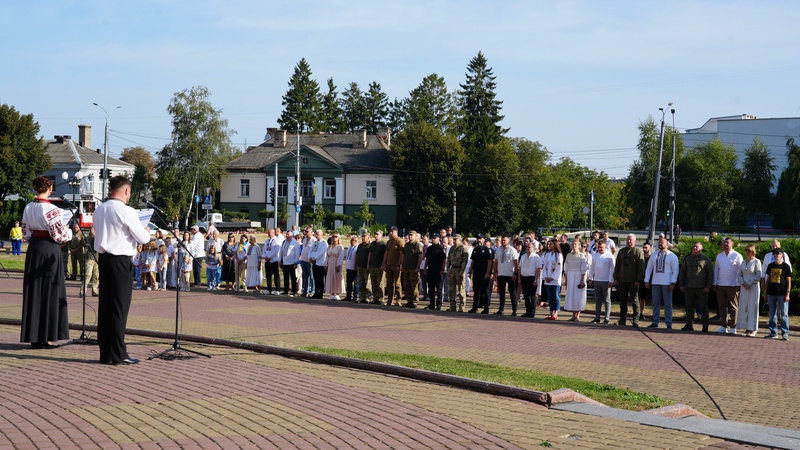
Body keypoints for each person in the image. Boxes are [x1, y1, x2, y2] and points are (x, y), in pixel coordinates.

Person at [93, 175, 151, 365]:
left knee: (106, 306)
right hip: (120, 261)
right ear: (126, 191)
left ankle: (106, 353)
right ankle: (119, 354)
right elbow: (142, 238)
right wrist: (147, 231)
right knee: (119, 307)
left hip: (104, 259)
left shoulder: (100, 209)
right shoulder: (127, 211)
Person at [20, 176, 73, 349]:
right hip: (50, 249)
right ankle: (48, 337)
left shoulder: (28, 207)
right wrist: (69, 232)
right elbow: (58, 236)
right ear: (49, 189)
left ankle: (35, 337)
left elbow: (26, 233)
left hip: (35, 249)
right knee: (51, 291)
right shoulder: (53, 210)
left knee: (34, 292)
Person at [678, 242, 714, 332]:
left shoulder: (706, 260)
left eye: (696, 246)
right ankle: (689, 324)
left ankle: (705, 326)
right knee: (689, 306)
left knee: (703, 307)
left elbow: (710, 274)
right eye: (693, 246)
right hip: (689, 287)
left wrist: (708, 286)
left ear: (701, 248)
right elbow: (682, 272)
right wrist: (681, 284)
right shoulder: (688, 259)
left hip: (702, 288)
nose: (694, 248)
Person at [645, 237, 679, 329]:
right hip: (655, 282)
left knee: (668, 304)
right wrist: (646, 280)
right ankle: (655, 322)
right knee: (655, 303)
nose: (660, 244)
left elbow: (675, 270)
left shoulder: (672, 256)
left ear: (667, 244)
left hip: (667, 283)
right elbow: (649, 268)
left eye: (662, 243)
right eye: (659, 242)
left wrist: (673, 282)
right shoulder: (654, 255)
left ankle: (668, 323)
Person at [614, 234, 645, 327]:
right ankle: (622, 319)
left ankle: (636, 319)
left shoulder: (638, 252)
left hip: (633, 280)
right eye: (628, 240)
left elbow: (641, 268)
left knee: (635, 300)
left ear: (635, 241)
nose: (629, 241)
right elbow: (617, 266)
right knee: (622, 301)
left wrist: (638, 280)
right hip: (622, 280)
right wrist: (616, 278)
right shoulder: (621, 251)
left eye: (631, 240)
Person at [714, 238, 743, 334]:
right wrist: (715, 283)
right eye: (724, 242)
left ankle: (733, 326)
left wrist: (739, 284)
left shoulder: (737, 256)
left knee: (733, 306)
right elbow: (716, 270)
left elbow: (740, 272)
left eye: (728, 242)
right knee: (722, 306)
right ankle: (723, 325)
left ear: (732, 244)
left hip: (733, 285)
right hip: (721, 284)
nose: (726, 244)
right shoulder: (719, 256)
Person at [762, 248, 791, 340]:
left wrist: (788, 294)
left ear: (782, 255)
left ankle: (785, 333)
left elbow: (789, 282)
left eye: (778, 253)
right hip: (771, 293)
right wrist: (765, 293)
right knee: (772, 314)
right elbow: (767, 280)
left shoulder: (786, 266)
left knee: (784, 314)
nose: (776, 255)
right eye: (774, 254)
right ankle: (773, 332)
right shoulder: (770, 266)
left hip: (782, 293)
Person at [736, 244, 762, 337]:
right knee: (744, 306)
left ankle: (753, 328)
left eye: (749, 250)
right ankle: (746, 328)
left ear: (753, 251)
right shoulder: (743, 262)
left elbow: (758, 274)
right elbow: (739, 274)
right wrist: (743, 283)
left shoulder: (756, 261)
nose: (747, 252)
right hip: (744, 287)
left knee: (752, 306)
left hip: (753, 287)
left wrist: (750, 283)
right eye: (746, 250)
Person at [589, 239, 614, 324]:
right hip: (597, 280)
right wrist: (590, 278)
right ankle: (597, 317)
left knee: (607, 300)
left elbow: (612, 269)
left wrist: (611, 280)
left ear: (605, 247)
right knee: (597, 300)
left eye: (601, 247)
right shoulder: (595, 255)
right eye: (599, 247)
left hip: (606, 280)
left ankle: (607, 317)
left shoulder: (609, 256)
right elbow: (592, 267)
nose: (600, 249)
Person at [493, 235, 519, 316]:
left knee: (512, 292)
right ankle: (501, 309)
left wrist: (515, 273)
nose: (503, 242)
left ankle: (514, 310)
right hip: (501, 273)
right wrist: (495, 273)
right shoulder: (498, 250)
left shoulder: (512, 250)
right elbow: (496, 261)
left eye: (505, 240)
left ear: (509, 241)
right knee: (502, 292)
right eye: (502, 240)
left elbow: (516, 263)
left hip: (510, 273)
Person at [564, 240, 589, 322]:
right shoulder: (568, 255)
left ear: (578, 246)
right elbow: (566, 269)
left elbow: (584, 269)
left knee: (578, 296)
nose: (574, 245)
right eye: (573, 244)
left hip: (578, 276)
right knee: (572, 295)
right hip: (571, 276)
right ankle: (573, 315)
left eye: (575, 244)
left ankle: (578, 315)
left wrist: (582, 280)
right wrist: (566, 280)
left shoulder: (581, 256)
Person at [518, 238, 542, 318]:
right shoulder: (523, 256)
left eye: (530, 247)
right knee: (526, 296)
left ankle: (532, 312)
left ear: (534, 248)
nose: (528, 249)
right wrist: (520, 278)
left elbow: (538, 269)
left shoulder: (536, 257)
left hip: (532, 278)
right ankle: (527, 311)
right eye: (527, 247)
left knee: (532, 296)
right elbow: (520, 268)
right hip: (524, 277)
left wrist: (535, 280)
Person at [446, 234, 469, 312]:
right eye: (454, 239)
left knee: (461, 289)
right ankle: (452, 306)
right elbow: (449, 259)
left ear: (460, 240)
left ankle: (461, 307)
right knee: (451, 289)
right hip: (453, 270)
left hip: (460, 270)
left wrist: (462, 271)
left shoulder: (463, 248)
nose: (454, 240)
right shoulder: (452, 248)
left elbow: (465, 261)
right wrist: (448, 269)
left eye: (456, 239)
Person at [541, 239, 563, 320]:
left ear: (555, 245)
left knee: (556, 296)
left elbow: (558, 268)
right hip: (548, 279)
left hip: (555, 279)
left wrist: (552, 277)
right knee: (550, 296)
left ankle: (556, 312)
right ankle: (551, 312)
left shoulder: (559, 255)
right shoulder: (547, 254)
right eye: (548, 244)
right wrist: (546, 276)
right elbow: (545, 267)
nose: (549, 246)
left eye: (551, 244)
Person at [401, 231, 424, 308]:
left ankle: (414, 302)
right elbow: (403, 256)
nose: (410, 237)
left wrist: (418, 266)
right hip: (406, 268)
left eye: (412, 235)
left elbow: (420, 256)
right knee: (406, 285)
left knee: (414, 286)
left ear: (415, 236)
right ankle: (409, 301)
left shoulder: (417, 245)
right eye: (409, 235)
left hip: (414, 269)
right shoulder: (406, 245)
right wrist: (402, 265)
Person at [383, 226, 405, 306]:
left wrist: (399, 264)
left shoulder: (400, 241)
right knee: (389, 283)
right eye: (390, 232)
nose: (391, 233)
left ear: (396, 232)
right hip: (389, 265)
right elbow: (386, 253)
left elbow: (401, 254)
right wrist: (384, 263)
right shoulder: (389, 242)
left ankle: (398, 300)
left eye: (392, 232)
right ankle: (390, 300)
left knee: (397, 283)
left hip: (396, 265)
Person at [425, 234, 446, 310]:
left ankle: (439, 304)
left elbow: (444, 260)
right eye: (432, 238)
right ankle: (431, 304)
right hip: (430, 270)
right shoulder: (429, 248)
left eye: (434, 238)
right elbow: (427, 259)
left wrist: (443, 269)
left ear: (438, 239)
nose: (433, 239)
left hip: (438, 271)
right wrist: (425, 268)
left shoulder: (441, 248)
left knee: (439, 289)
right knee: (431, 288)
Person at [279, 231, 301, 296]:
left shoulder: (295, 243)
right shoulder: (284, 242)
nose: (287, 236)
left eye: (289, 235)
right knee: (286, 277)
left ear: (292, 235)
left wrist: (295, 262)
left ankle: (293, 290)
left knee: (293, 278)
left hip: (292, 263)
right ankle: (286, 290)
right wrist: (280, 260)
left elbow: (297, 253)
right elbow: (281, 251)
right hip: (285, 262)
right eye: (287, 234)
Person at [368, 230, 386, 305]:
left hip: (379, 266)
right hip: (373, 266)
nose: (376, 235)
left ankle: (381, 298)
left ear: (381, 236)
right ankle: (375, 298)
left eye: (377, 234)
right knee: (373, 283)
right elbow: (370, 254)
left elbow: (385, 255)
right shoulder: (373, 244)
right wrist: (368, 263)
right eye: (375, 234)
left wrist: (383, 264)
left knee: (380, 283)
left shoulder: (383, 244)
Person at [309, 229, 328, 299]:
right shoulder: (315, 242)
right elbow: (311, 250)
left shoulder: (324, 243)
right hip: (314, 263)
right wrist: (310, 257)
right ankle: (316, 293)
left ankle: (320, 294)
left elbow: (321, 253)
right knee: (315, 279)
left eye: (317, 234)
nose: (316, 235)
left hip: (320, 263)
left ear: (321, 234)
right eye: (315, 234)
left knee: (320, 279)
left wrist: (314, 258)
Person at [325, 234, 345, 300]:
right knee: (331, 277)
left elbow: (341, 256)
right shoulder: (329, 246)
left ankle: (337, 293)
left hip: (336, 263)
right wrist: (326, 264)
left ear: (338, 238)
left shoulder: (340, 247)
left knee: (337, 277)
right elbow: (327, 256)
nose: (334, 238)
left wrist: (338, 265)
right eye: (333, 236)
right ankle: (331, 293)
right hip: (330, 264)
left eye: (336, 237)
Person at [355, 232, 372, 303]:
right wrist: (356, 265)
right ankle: (361, 297)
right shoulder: (360, 245)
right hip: (360, 266)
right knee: (361, 282)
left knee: (367, 282)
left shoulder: (370, 245)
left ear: (369, 237)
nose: (363, 238)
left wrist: (369, 265)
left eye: (365, 236)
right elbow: (357, 255)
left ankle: (368, 297)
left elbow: (371, 255)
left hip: (366, 267)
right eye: (362, 236)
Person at [82, 226, 100, 297]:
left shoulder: (98, 237)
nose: (92, 230)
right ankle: (83, 291)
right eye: (91, 229)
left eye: (93, 229)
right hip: (90, 258)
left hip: (97, 258)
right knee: (87, 275)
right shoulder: (88, 238)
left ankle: (95, 291)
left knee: (96, 276)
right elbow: (87, 243)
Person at [299, 226, 316, 297]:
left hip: (310, 261)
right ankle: (305, 291)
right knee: (305, 277)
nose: (305, 233)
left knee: (312, 277)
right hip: (303, 260)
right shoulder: (305, 239)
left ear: (311, 232)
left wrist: (312, 259)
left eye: (307, 232)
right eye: (305, 231)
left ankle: (312, 291)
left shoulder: (314, 240)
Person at [639, 241, 653, 320]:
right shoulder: (641, 257)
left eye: (646, 247)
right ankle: (641, 313)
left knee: (652, 298)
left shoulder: (653, 257)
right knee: (642, 297)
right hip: (642, 280)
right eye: (643, 247)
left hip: (651, 280)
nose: (644, 249)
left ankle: (653, 314)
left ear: (650, 247)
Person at [344, 236, 359, 302]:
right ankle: (348, 296)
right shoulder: (349, 247)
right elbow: (347, 257)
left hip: (354, 268)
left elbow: (357, 258)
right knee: (349, 283)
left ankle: (355, 296)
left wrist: (355, 266)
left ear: (355, 241)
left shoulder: (357, 248)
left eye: (352, 241)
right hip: (349, 267)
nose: (351, 242)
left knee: (356, 283)